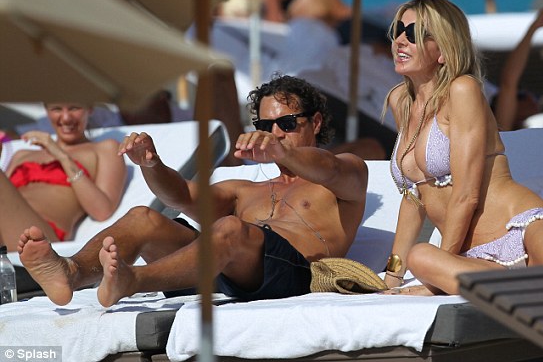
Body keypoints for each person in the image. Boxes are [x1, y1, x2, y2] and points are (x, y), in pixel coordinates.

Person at [17, 75, 368, 306]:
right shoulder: (245, 189)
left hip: (290, 275)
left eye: (287, 124)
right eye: (265, 125)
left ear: (315, 122)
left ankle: (133, 280)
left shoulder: (345, 175)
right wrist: (151, 164)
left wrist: (285, 153)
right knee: (143, 217)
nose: (274, 133)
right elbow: (181, 197)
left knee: (230, 228)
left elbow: (332, 168)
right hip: (223, 272)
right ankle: (71, 272)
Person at [380, 0, 543, 295]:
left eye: (414, 34)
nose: (400, 40)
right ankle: (521, 286)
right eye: (398, 30)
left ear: (444, 51)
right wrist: (391, 277)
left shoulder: (463, 89)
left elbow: (467, 195)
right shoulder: (401, 101)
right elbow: (413, 198)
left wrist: (441, 272)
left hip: (524, 226)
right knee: (420, 256)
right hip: (478, 259)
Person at [0, 103, 126, 251]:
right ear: (47, 111)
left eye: (74, 108)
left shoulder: (104, 149)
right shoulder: (21, 155)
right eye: (57, 109)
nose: (66, 118)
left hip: (38, 237)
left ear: (89, 108)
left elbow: (102, 211)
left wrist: (62, 156)